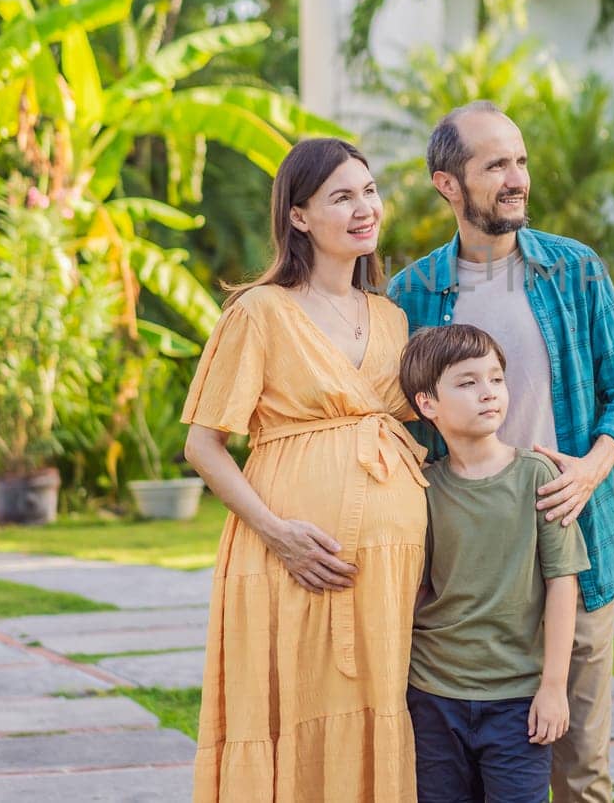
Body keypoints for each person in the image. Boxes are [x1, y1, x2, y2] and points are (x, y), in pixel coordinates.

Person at [388, 101, 614, 802]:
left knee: (582, 773)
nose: (517, 178)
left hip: (573, 550)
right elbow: (391, 422)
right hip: (464, 573)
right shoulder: (410, 292)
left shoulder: (576, 269)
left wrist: (592, 467)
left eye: (522, 160)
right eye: (495, 164)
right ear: (448, 183)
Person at [182, 138, 427, 802]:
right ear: (298, 216)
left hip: (387, 569)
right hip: (288, 555)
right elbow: (204, 444)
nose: (364, 208)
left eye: (369, 190)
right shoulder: (260, 311)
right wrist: (277, 531)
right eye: (341, 197)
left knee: (377, 708)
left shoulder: (393, 316)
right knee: (291, 712)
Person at [398, 324, 589, 803]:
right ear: (427, 404)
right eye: (467, 383)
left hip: (518, 700)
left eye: (496, 379)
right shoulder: (421, 488)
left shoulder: (537, 476)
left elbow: (562, 585)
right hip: (433, 693)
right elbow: (413, 587)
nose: (489, 394)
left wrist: (553, 687)